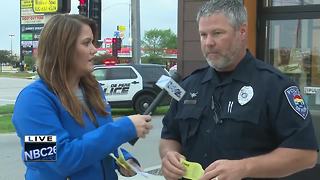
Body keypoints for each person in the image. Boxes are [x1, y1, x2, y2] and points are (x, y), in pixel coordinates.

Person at [159, 0, 318, 180]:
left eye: (217, 33)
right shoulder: (189, 86)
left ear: (242, 32)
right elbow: (169, 136)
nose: (208, 42)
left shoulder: (276, 86)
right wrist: (169, 156)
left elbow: (306, 155)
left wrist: (245, 167)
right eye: (203, 35)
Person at [12, 14, 152, 180]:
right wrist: (124, 128)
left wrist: (123, 159)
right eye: (86, 43)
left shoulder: (93, 90)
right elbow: (58, 160)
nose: (94, 49)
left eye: (93, 42)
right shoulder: (31, 101)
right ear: (63, 49)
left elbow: (98, 141)